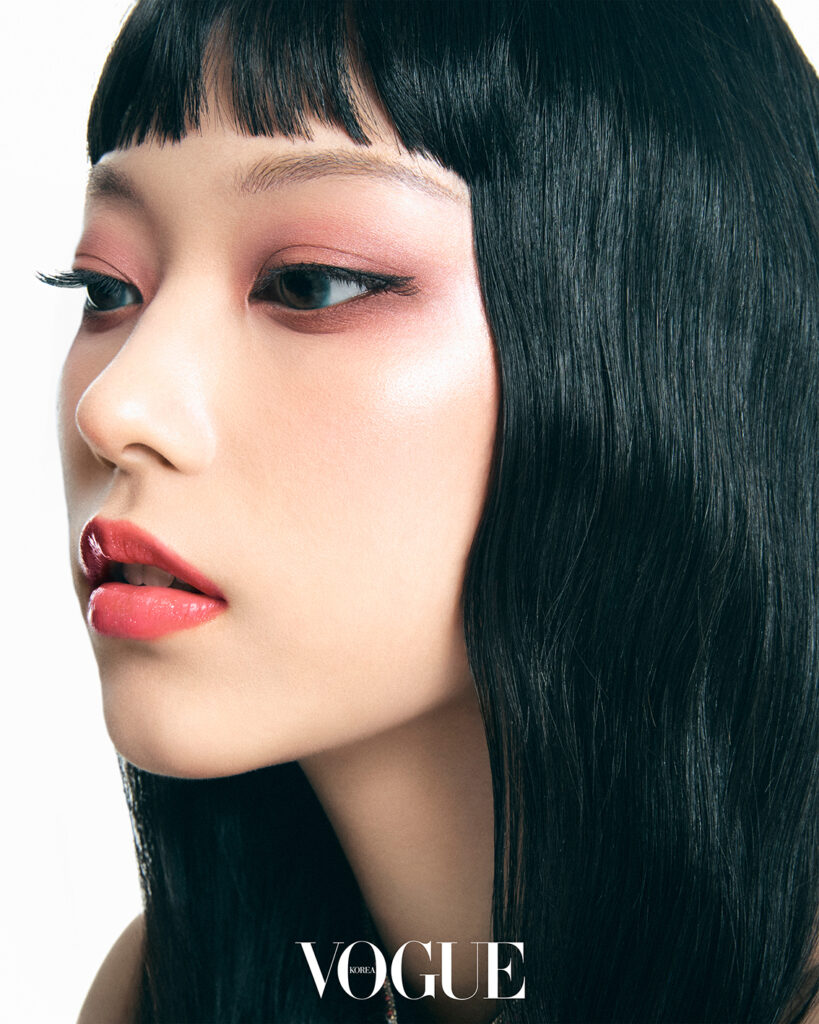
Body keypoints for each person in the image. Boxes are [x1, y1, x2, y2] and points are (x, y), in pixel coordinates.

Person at [39, 1, 819, 1022]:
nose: (115, 408)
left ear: (658, 345)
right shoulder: (164, 989)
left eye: (310, 284)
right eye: (106, 288)